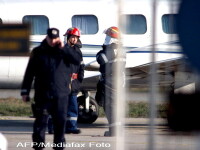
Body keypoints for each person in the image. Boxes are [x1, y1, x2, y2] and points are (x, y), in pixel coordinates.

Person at [21, 27, 82, 150]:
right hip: (43, 95)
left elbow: (77, 59)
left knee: (60, 125)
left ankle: (58, 147)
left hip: (61, 95)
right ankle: (38, 146)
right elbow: (29, 73)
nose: (53, 41)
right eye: (51, 38)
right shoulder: (38, 51)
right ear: (46, 38)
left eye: (55, 38)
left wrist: (64, 48)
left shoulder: (65, 51)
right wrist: (25, 91)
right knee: (40, 124)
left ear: (59, 38)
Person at [48, 27, 84, 134]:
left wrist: (78, 81)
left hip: (73, 85)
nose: (74, 40)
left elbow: (81, 66)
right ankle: (53, 128)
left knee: (73, 108)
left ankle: (71, 127)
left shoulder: (78, 51)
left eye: (76, 38)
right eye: (73, 37)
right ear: (68, 37)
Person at [95, 26, 126, 137]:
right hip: (118, 80)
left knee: (109, 106)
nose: (106, 38)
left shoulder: (111, 49)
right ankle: (117, 130)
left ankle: (114, 131)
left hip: (110, 81)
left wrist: (100, 53)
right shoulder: (120, 49)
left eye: (108, 36)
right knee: (114, 106)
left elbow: (100, 59)